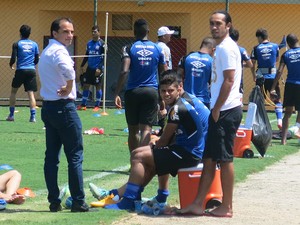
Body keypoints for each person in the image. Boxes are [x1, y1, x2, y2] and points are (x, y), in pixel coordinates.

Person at [91, 70, 209, 210]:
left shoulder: (178, 107)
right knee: (148, 156)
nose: (166, 94)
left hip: (190, 154)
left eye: (170, 90)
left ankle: (125, 199)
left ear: (179, 88)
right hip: (188, 150)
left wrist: (155, 143)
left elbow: (165, 140)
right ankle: (131, 196)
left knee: (139, 156)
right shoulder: (181, 102)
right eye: (163, 91)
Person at [180, 10, 242, 218]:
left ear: (228, 26)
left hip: (225, 111)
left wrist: (216, 109)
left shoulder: (226, 49)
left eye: (218, 23)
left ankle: (227, 206)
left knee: (224, 159)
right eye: (212, 23)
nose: (214, 27)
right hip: (220, 110)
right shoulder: (220, 48)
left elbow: (229, 80)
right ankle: (198, 203)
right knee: (208, 158)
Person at [38, 17, 89, 213]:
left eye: (71, 31)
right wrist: (69, 85)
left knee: (51, 157)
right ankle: (78, 200)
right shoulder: (59, 51)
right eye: (66, 32)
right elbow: (68, 69)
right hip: (64, 108)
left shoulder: (46, 51)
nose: (70, 35)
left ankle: (54, 201)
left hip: (49, 108)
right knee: (75, 155)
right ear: (55, 33)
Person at [114, 19, 167, 153]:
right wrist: (162, 97)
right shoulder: (158, 48)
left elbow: (124, 71)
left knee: (133, 130)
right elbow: (164, 73)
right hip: (151, 91)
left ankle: (134, 161)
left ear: (134, 32)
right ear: (148, 32)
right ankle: (142, 162)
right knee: (146, 129)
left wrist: (117, 93)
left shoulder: (128, 47)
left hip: (133, 92)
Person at [270, 34, 300, 145]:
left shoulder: (286, 54)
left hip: (290, 84)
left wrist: (273, 87)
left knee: (287, 113)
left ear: (288, 43)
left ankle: (283, 140)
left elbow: (279, 71)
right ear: (297, 40)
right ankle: (297, 129)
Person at [250, 28, 283, 129]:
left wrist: (253, 75)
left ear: (260, 37)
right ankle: (279, 121)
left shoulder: (256, 48)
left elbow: (253, 63)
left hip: (261, 77)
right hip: (273, 77)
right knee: (277, 99)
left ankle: (260, 124)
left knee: (260, 101)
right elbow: (276, 59)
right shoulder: (275, 46)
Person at [7, 24, 39, 122]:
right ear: (29, 34)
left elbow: (14, 57)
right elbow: (37, 58)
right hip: (31, 70)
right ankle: (33, 117)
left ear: (20, 33)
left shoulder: (17, 44)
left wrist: (11, 64)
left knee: (13, 92)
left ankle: (11, 115)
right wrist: (32, 65)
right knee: (31, 94)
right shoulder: (34, 44)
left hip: (20, 70)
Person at [178, 37, 216, 109]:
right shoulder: (212, 61)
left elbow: (178, 76)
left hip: (186, 98)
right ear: (213, 50)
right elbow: (213, 82)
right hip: (203, 100)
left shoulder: (187, 57)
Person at [77, 25, 105, 112]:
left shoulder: (102, 44)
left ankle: (97, 105)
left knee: (98, 86)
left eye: (95, 32)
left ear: (99, 32)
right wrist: (82, 65)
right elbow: (87, 55)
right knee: (86, 85)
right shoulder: (89, 43)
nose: (93, 33)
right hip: (89, 68)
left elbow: (104, 58)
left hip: (98, 68)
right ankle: (83, 104)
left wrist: (100, 68)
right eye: (92, 32)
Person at [230, 29, 253, 96]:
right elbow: (250, 64)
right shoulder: (241, 50)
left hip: (225, 79)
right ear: (238, 38)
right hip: (237, 81)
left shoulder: (223, 49)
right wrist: (241, 64)